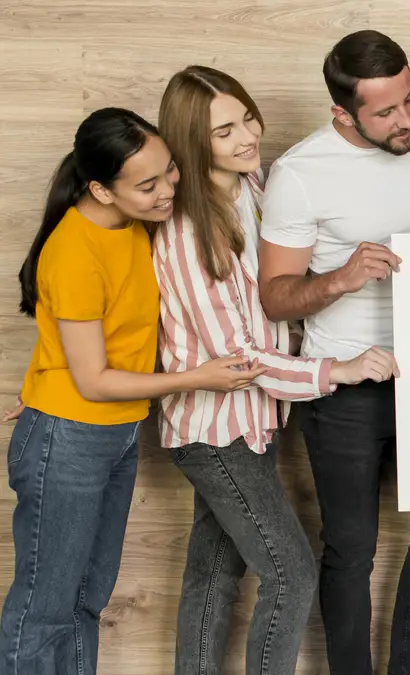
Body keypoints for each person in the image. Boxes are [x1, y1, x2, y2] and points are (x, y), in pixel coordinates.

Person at [154, 65, 401, 675]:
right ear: (192, 142)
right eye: (223, 131)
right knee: (291, 572)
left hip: (252, 425)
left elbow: (279, 293)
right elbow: (237, 358)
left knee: (214, 574)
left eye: (246, 117)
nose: (246, 136)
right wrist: (334, 371)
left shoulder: (255, 188)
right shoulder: (187, 231)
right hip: (215, 432)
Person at [0, 108, 265, 675]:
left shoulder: (134, 226)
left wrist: (41, 380)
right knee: (45, 607)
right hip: (69, 438)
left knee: (85, 600)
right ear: (99, 187)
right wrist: (199, 376)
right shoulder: (74, 252)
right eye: (147, 185)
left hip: (111, 434)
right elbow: (93, 379)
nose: (169, 189)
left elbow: (80, 338)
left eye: (169, 171)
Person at [255, 30, 410, 675]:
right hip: (344, 385)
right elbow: (274, 298)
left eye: (409, 98)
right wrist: (341, 279)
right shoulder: (299, 174)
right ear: (342, 114)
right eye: (386, 112)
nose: (407, 120)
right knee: (351, 548)